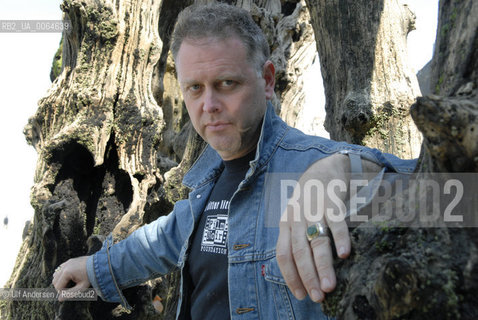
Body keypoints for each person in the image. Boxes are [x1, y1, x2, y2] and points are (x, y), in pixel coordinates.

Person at [52, 3, 416, 319]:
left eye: (226, 83)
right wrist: (95, 268)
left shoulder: (313, 175)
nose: (208, 105)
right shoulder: (205, 183)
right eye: (194, 88)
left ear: (268, 81)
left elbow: (458, 196)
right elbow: (161, 241)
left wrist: (347, 170)